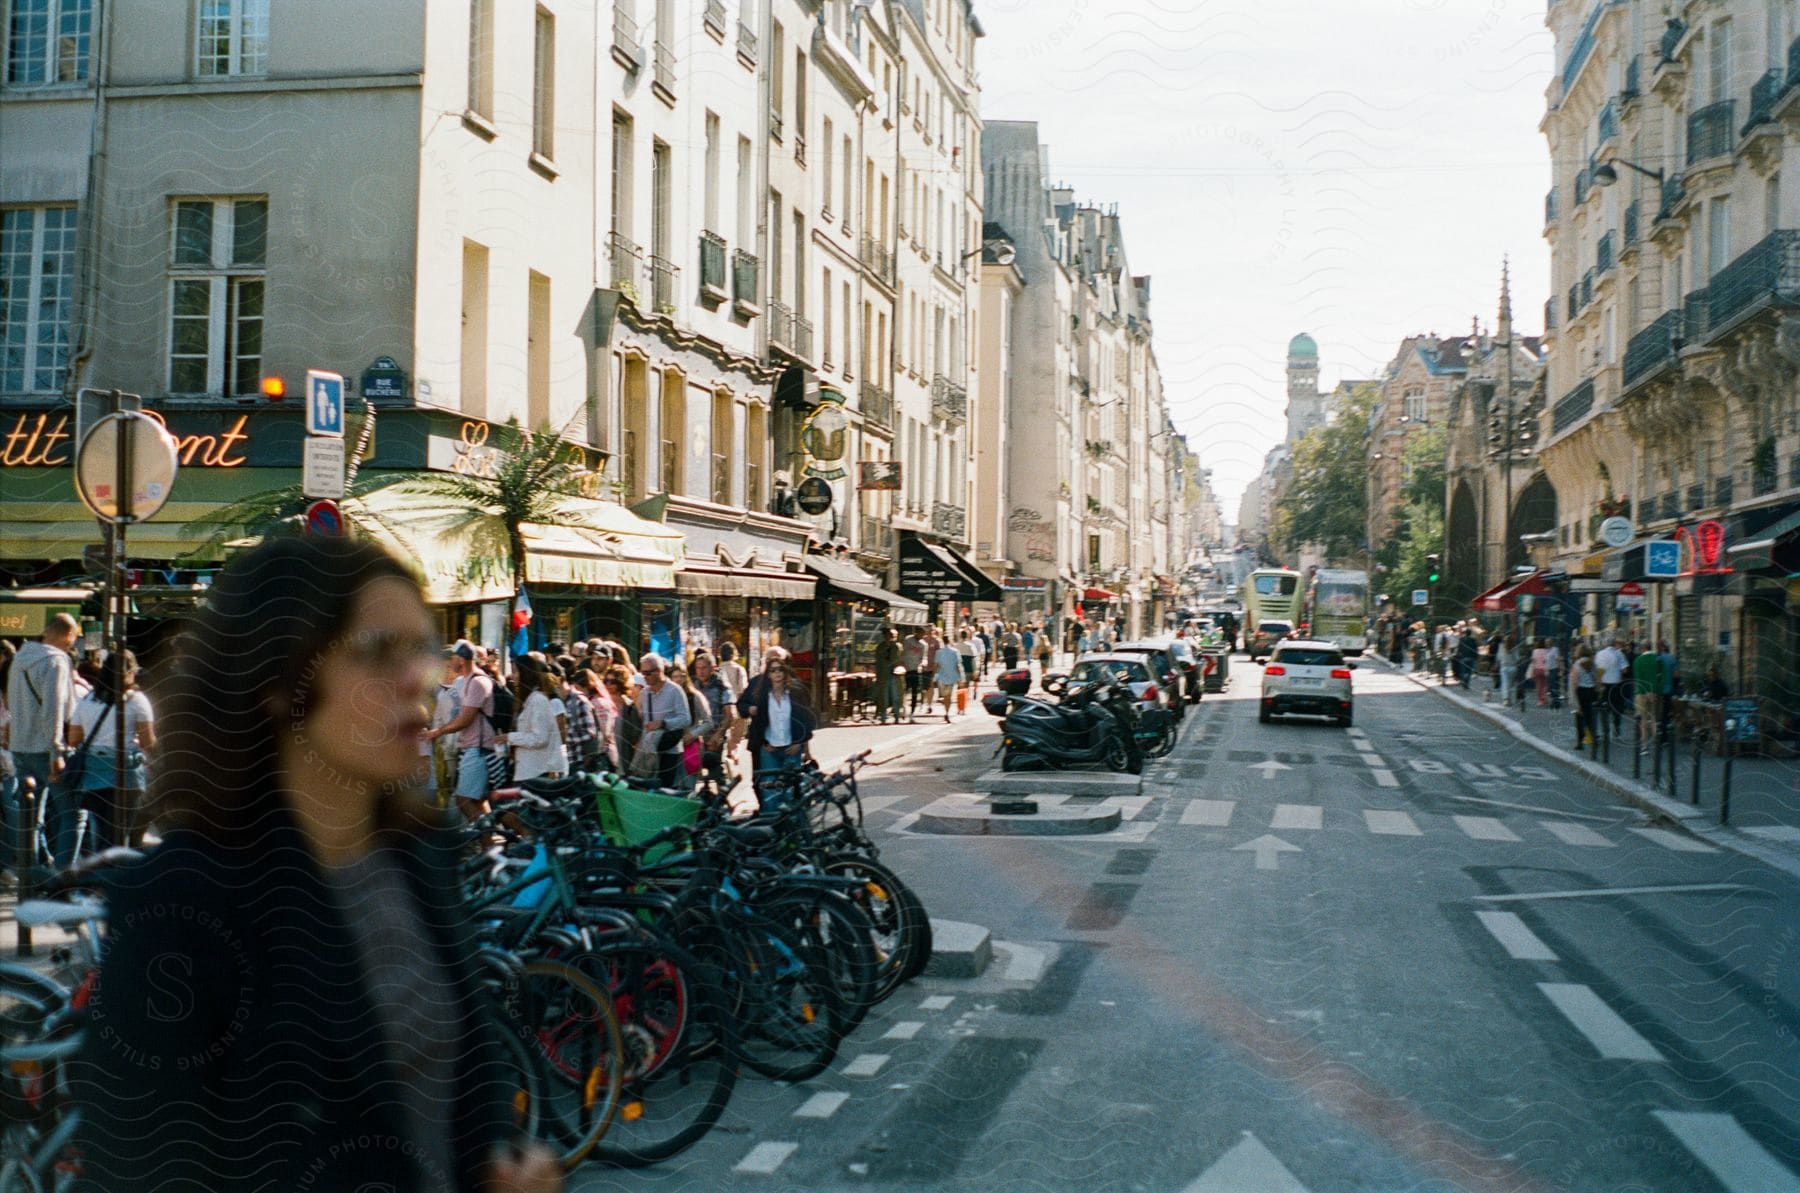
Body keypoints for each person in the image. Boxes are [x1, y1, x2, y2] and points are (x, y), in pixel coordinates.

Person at [68, 535, 558, 1193]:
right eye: (378, 651)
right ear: (280, 682)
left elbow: (468, 1074)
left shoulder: (423, 851)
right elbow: (144, 1165)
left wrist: (499, 1166)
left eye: (421, 647)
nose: (420, 676)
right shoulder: (182, 900)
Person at [65, 648, 156, 858]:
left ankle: (102, 872)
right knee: (123, 831)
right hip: (126, 771)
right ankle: (119, 874)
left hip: (94, 772)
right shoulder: (137, 701)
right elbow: (147, 741)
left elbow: (73, 739)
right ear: (131, 672)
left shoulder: (87, 699)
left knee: (102, 829)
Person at [5, 613, 77, 865]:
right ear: (68, 635)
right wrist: (56, 751)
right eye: (73, 639)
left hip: (19, 746)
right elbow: (54, 709)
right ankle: (63, 879)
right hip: (45, 748)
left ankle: (33, 876)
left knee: (31, 817)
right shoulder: (56, 661)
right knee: (72, 813)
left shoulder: (19, 659)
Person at [422, 641, 498, 823]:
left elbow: (465, 719)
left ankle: (488, 837)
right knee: (478, 800)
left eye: (452, 659)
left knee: (463, 799)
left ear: (462, 660)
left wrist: (437, 732)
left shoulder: (478, 682)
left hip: (478, 748)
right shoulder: (464, 681)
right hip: (470, 747)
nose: (449, 664)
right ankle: (490, 842)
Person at [739, 657, 815, 810]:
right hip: (770, 750)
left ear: (785, 671)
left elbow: (808, 719)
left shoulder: (795, 692)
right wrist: (763, 743)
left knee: (790, 791)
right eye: (773, 670)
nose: (777, 673)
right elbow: (758, 723)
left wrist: (799, 742)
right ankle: (771, 827)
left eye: (780, 669)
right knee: (769, 791)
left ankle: (793, 828)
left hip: (790, 748)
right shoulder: (761, 695)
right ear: (768, 674)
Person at [502, 652, 567, 783]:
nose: (512, 677)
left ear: (525, 674)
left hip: (537, 772)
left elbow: (540, 738)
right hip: (529, 769)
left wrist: (509, 737)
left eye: (515, 672)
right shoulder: (528, 700)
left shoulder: (537, 700)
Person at [633, 653, 692, 789]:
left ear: (659, 671)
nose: (645, 677)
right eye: (643, 673)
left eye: (648, 673)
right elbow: (645, 723)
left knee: (665, 790)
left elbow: (686, 719)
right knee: (647, 789)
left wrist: (663, 723)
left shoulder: (675, 691)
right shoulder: (644, 693)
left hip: (670, 750)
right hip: (650, 750)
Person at [690, 652, 737, 786]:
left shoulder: (722, 686)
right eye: (698, 668)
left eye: (704, 667)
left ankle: (722, 799)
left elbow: (730, 715)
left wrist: (718, 735)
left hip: (715, 736)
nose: (701, 671)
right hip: (695, 736)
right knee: (693, 772)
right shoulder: (693, 685)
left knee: (715, 772)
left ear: (713, 668)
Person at [1632, 639, 1662, 749]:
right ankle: (1656, 742)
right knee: (1654, 718)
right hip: (1655, 692)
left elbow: (1638, 679)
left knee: (1643, 719)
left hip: (1641, 692)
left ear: (1642, 648)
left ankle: (1644, 745)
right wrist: (1654, 690)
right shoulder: (1657, 659)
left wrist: (1645, 691)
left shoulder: (1637, 661)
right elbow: (1660, 677)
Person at [1594, 636, 1627, 736]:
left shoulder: (1599, 654)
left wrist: (1598, 684)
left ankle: (1605, 729)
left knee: (1604, 707)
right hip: (1616, 684)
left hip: (1603, 684)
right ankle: (1616, 728)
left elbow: (1598, 670)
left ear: (1605, 644)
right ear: (1614, 644)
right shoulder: (1619, 653)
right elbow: (1625, 670)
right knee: (1617, 707)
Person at [874, 626, 903, 725]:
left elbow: (896, 659)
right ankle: (883, 717)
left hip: (894, 675)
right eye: (887, 635)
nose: (888, 637)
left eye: (890, 636)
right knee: (884, 697)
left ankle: (897, 716)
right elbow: (878, 662)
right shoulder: (880, 647)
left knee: (896, 697)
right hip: (883, 675)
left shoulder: (896, 646)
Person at [1570, 645, 1597, 748]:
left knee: (1579, 717)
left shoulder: (1576, 665)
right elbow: (1596, 678)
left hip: (1580, 692)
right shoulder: (1592, 664)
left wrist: (1572, 697)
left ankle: (1579, 742)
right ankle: (1593, 739)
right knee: (1590, 716)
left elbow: (1574, 683)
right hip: (1591, 691)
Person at [932, 634, 963, 722]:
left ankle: (945, 709)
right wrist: (960, 678)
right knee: (948, 696)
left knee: (944, 695)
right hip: (952, 676)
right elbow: (958, 665)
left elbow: (936, 665)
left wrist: (934, 677)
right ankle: (947, 712)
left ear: (942, 641)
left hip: (941, 676)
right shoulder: (955, 651)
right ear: (950, 641)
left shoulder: (938, 652)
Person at [901, 628, 928, 719]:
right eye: (920, 633)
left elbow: (924, 657)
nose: (922, 636)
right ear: (916, 632)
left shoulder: (924, 645)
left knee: (915, 691)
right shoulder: (908, 639)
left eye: (923, 634)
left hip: (916, 669)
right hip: (906, 668)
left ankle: (912, 712)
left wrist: (924, 663)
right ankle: (903, 709)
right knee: (904, 690)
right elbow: (903, 652)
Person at [1544, 637, 1564, 711]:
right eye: (1546, 642)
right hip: (1548, 671)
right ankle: (1554, 701)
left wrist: (1560, 670)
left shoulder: (1555, 649)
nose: (1547, 643)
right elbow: (1545, 662)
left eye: (1548, 642)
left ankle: (1556, 703)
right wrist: (1545, 670)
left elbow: (1558, 659)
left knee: (1554, 687)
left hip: (1554, 670)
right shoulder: (1546, 650)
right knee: (1550, 687)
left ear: (1551, 642)